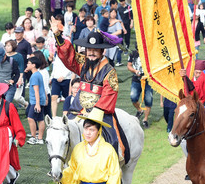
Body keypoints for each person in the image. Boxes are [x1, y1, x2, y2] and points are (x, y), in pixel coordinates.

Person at [51, 19, 126, 159]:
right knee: (62, 132)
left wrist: (94, 113)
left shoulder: (109, 71)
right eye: (89, 50)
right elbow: (69, 57)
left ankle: (111, 171)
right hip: (78, 109)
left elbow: (109, 95)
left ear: (102, 51)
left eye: (95, 50)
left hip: (100, 114)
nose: (91, 53)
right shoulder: (83, 63)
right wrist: (58, 37)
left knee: (112, 142)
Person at [59, 113, 122, 184]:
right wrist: (60, 176)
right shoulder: (78, 149)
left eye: (92, 130)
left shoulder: (108, 150)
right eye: (86, 129)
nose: (88, 133)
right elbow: (72, 170)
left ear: (99, 131)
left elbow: (114, 175)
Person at [127, 45, 153, 128]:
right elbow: (129, 65)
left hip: (148, 81)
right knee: (133, 97)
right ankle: (140, 110)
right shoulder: (133, 54)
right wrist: (135, 71)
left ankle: (145, 119)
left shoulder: (149, 54)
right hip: (136, 79)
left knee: (148, 100)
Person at [25, 57, 46, 145]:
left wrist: (37, 104)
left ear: (33, 65)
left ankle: (34, 137)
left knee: (30, 118)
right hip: (39, 100)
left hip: (35, 101)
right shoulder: (38, 74)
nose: (27, 64)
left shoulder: (34, 76)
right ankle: (40, 138)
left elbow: (36, 90)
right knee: (40, 119)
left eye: (29, 63)